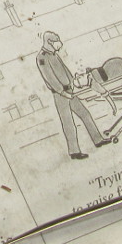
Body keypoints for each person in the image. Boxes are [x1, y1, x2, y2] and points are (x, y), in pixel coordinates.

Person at [37, 31, 102, 160]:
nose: (59, 43)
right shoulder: (42, 58)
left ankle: (98, 139)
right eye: (56, 41)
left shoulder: (54, 54)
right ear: (49, 42)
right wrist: (62, 92)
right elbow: (49, 78)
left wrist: (73, 82)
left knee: (85, 114)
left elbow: (65, 70)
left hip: (69, 91)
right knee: (68, 122)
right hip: (60, 95)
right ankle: (74, 151)